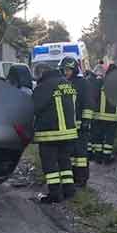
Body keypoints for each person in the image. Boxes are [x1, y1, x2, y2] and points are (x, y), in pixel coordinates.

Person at [32, 63, 78, 203]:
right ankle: (69, 190)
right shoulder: (66, 83)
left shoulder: (44, 86)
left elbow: (34, 107)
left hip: (50, 133)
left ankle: (54, 194)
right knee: (65, 162)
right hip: (69, 132)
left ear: (41, 73)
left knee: (50, 164)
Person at [58, 56, 93, 187]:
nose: (66, 72)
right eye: (64, 69)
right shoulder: (61, 83)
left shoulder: (82, 83)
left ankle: (82, 179)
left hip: (80, 127)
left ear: (75, 70)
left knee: (81, 155)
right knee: (69, 154)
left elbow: (88, 103)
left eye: (69, 69)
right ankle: (71, 178)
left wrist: (86, 121)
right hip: (66, 127)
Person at [89, 63, 117, 163]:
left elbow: (93, 97)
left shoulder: (100, 82)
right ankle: (107, 158)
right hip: (112, 117)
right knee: (109, 140)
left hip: (98, 116)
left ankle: (98, 157)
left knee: (98, 137)